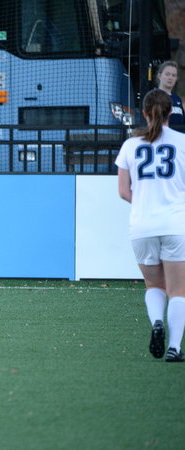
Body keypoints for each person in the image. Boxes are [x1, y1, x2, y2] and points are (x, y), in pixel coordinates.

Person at [116, 88, 185, 362]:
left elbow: (123, 191)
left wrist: (145, 204)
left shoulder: (130, 145)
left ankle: (157, 322)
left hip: (142, 226)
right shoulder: (182, 142)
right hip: (175, 224)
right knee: (178, 290)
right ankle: (174, 348)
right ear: (171, 112)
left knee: (154, 285)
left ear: (143, 113)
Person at [155, 60, 184, 130]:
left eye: (173, 75)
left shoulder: (177, 99)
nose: (170, 78)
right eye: (167, 74)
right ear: (159, 76)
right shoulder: (153, 96)